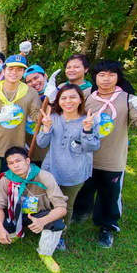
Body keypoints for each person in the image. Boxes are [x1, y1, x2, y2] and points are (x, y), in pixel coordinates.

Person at [74, 60, 137, 247]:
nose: (106, 79)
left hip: (112, 157)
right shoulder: (87, 96)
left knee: (109, 194)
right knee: (84, 188)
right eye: (102, 75)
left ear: (118, 77)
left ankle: (106, 226)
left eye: (111, 75)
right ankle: (79, 214)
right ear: (95, 77)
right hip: (87, 155)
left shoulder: (127, 99)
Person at [36, 84, 100, 250]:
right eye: (63, 98)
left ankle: (60, 235)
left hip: (75, 171)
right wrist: (46, 127)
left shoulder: (89, 119)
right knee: (47, 201)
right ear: (58, 101)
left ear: (80, 100)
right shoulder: (53, 117)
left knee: (66, 205)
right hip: (51, 168)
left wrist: (87, 130)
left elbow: (92, 147)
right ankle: (45, 228)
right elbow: (41, 143)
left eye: (72, 97)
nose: (68, 101)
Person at [0, 147, 68, 273]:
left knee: (56, 222)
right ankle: (15, 232)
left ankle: (45, 253)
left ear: (27, 161)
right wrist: (0, 227)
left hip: (37, 214)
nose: (15, 166)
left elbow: (61, 208)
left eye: (18, 161)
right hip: (13, 213)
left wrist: (43, 221)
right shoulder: (6, 179)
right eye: (11, 163)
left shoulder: (44, 176)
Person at [0, 54, 41, 197]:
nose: (14, 73)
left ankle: (4, 206)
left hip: (14, 146)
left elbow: (37, 116)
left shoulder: (30, 93)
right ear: (4, 71)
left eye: (19, 69)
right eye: (11, 69)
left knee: (9, 183)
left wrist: (50, 102)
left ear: (23, 73)